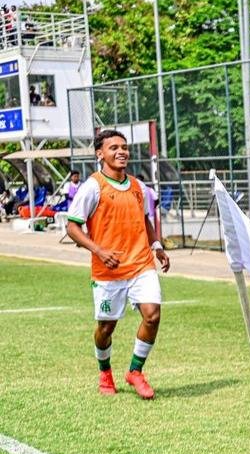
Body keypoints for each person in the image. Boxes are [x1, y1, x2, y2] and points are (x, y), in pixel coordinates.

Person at [65, 129, 171, 399]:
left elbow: (145, 219)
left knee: (153, 314)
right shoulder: (92, 187)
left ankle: (135, 371)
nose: (122, 151)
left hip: (140, 265)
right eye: (114, 148)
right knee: (105, 328)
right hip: (108, 272)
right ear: (100, 154)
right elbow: (72, 227)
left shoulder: (138, 186)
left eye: (124, 147)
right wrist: (98, 251)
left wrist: (156, 246)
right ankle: (105, 372)